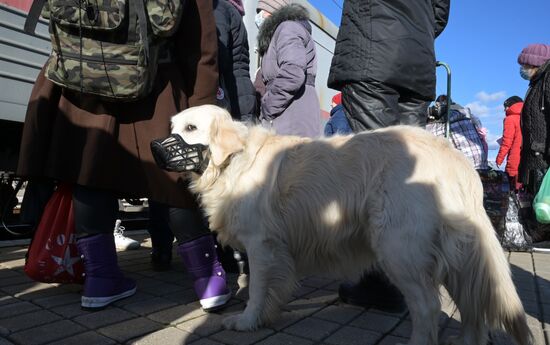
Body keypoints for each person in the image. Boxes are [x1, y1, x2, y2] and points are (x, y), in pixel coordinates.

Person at [17, 0, 231, 311]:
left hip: (83, 79)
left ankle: (101, 280)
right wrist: (202, 103)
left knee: (90, 174)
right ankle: (208, 279)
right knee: (175, 180)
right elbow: (200, 43)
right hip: (158, 81)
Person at [327, 0, 450, 311]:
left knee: (377, 176)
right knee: (408, 179)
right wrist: (413, 28)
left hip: (372, 51)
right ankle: (412, 274)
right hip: (417, 59)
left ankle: (383, 283)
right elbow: (440, 13)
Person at [255, 0, 321, 137]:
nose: (259, 16)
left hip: (291, 115)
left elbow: (293, 73)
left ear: (274, 12)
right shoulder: (284, 31)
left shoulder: (287, 29)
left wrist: (268, 106)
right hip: (290, 112)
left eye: (262, 12)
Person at [516, 43, 550, 243]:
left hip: (542, 153)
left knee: (545, 200)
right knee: (540, 200)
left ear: (535, 63)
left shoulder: (547, 79)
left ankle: (546, 238)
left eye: (525, 64)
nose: (522, 69)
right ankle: (543, 236)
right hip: (535, 152)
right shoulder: (537, 81)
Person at [214, 0, 256, 124]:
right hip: (242, 91)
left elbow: (217, 55)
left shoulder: (219, 8)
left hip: (230, 92)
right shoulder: (234, 12)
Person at [426, 95, 488, 170]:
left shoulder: (437, 125)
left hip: (463, 168)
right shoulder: (468, 116)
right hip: (481, 163)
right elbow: (480, 129)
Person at [496, 96, 524, 191]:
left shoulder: (510, 119)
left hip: (514, 160)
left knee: (511, 191)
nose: (504, 109)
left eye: (506, 106)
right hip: (526, 160)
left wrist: (499, 159)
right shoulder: (527, 117)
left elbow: (507, 142)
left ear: (511, 105)